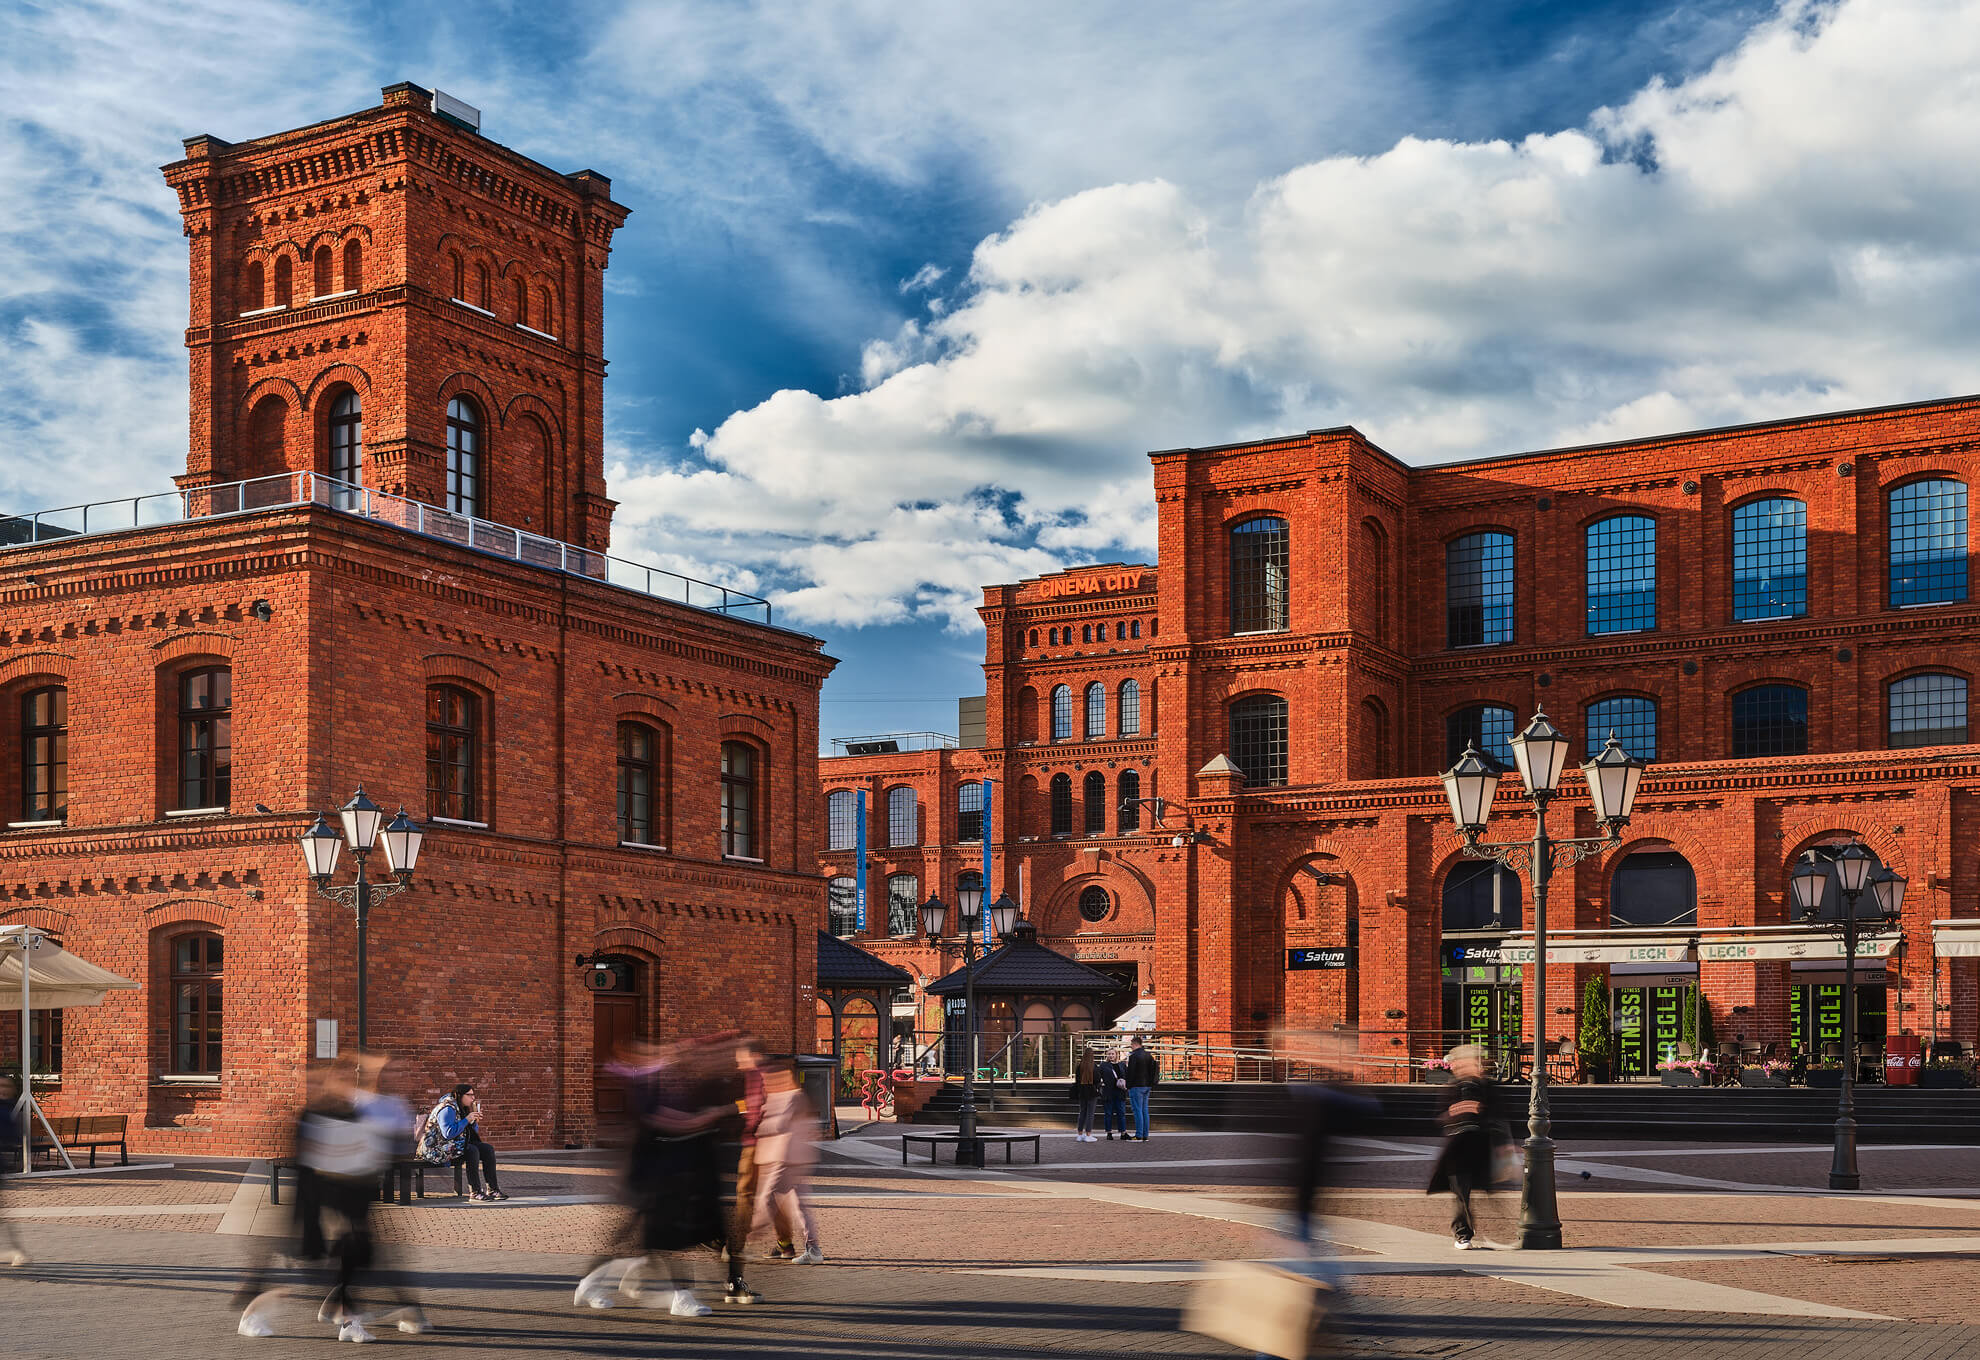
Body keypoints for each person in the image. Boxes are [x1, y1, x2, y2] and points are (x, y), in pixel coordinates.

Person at [1425, 1044, 1500, 1250]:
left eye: (1478, 1061)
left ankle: (1493, 1231)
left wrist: (1505, 1145)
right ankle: (1462, 1234)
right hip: (1458, 1149)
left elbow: (1499, 1115)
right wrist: (1462, 1109)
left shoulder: (1487, 1087)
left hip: (1481, 1147)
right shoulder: (1454, 1087)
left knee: (1490, 1192)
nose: (1478, 1066)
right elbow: (1441, 1116)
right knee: (1461, 1194)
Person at [752, 1059, 823, 1263]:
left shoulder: (793, 1096)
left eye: (769, 1079)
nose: (766, 1083)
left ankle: (746, 1241)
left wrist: (762, 1122)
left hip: (787, 1158)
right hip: (796, 1158)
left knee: (767, 1198)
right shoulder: (792, 1096)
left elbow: (780, 1125)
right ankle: (813, 1249)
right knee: (800, 1205)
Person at [721, 1036, 768, 1304]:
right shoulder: (754, 1076)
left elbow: (755, 1107)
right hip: (753, 1145)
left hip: (755, 1145)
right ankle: (732, 1246)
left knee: (747, 1198)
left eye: (741, 1056)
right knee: (746, 1200)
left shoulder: (757, 1076)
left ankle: (733, 1249)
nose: (738, 1062)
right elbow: (754, 1107)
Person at [424, 1084, 507, 1201]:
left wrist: (473, 1121)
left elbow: (470, 1134)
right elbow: (448, 1133)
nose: (473, 1098)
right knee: (472, 1150)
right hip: (436, 1148)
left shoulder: (462, 1107)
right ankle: (475, 1191)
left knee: (487, 1149)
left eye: (473, 1095)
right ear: (459, 1095)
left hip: (453, 1145)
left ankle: (493, 1189)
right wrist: (467, 1119)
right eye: (469, 1095)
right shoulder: (447, 1108)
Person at [0, 1074, 29, 1266]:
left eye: (7, 1086)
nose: (4, 1089)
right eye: (0, 1086)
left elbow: (13, 1135)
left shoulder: (9, 1109)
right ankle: (16, 1252)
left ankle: (16, 1251)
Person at [1124, 1035, 1159, 1142]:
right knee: (1144, 1110)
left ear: (1135, 1044)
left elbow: (1131, 1072)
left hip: (1136, 1086)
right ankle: (1145, 1135)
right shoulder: (1149, 1056)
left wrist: (1128, 1085)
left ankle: (1138, 1135)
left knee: (1137, 1110)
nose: (1130, 1047)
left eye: (1131, 1044)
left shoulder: (1134, 1056)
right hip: (1147, 1086)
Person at [1096, 1049, 1129, 1140]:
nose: (1111, 1056)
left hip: (1120, 1092)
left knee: (1121, 1113)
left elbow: (1127, 1076)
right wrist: (1101, 1085)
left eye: (1112, 1054)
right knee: (1108, 1113)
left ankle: (1123, 1133)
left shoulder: (1122, 1064)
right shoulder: (1103, 1065)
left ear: (1116, 1055)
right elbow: (1098, 1077)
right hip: (1108, 1092)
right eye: (1109, 1054)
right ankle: (1109, 1132)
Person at [1070, 1048, 1100, 1143]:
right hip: (1092, 1092)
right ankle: (1088, 1134)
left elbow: (1077, 1080)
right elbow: (1097, 1080)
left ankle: (1079, 1134)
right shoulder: (1094, 1066)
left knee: (1082, 1112)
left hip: (1082, 1092)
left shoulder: (1079, 1066)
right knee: (1090, 1113)